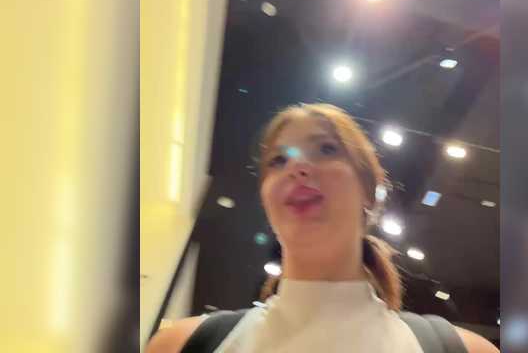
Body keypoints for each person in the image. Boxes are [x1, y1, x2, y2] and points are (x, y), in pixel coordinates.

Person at [147, 103, 498, 352]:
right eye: (278, 160)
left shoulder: (464, 351)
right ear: (266, 199)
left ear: (370, 191)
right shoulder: (181, 346)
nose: (297, 168)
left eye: (326, 149)